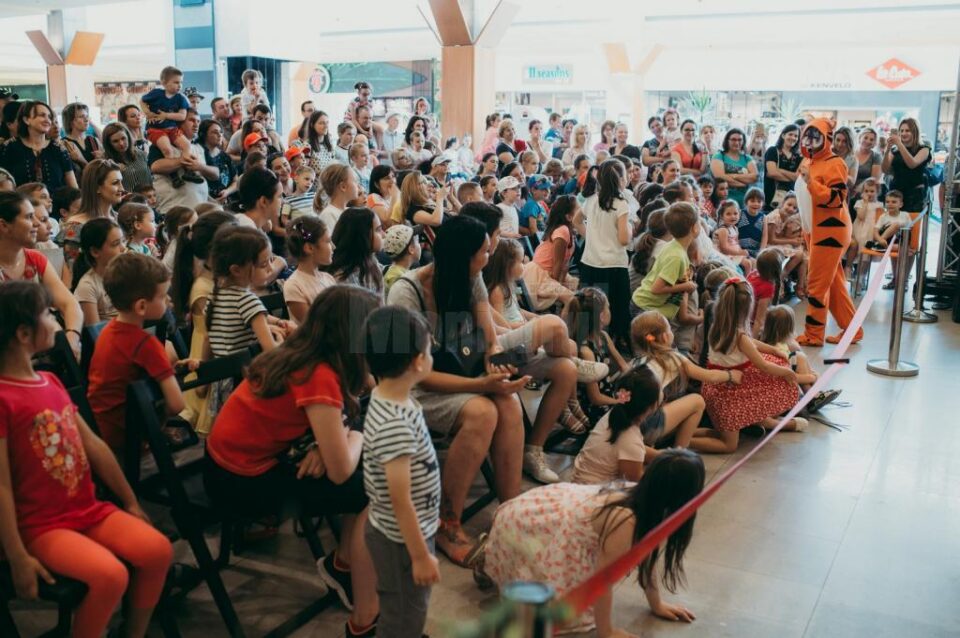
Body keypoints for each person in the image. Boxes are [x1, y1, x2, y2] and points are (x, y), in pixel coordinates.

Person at [203, 286, 381, 638]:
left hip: (235, 461)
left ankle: (344, 565)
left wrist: (328, 439)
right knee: (375, 491)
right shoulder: (319, 373)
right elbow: (342, 468)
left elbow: (368, 387)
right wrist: (351, 435)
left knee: (373, 468)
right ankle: (366, 621)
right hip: (239, 482)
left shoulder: (305, 349)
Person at [0, 281, 173, 638]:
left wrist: (129, 500)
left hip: (86, 509)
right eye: (48, 315)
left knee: (157, 550)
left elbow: (93, 445)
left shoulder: (50, 381)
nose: (55, 321)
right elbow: (0, 484)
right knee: (110, 576)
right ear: (22, 333)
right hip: (41, 526)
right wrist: (17, 556)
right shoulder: (3, 398)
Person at [386, 216, 529, 564]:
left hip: (459, 373)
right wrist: (482, 384)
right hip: (409, 389)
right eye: (483, 251)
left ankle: (510, 512)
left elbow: (490, 341)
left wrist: (497, 368)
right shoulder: (408, 291)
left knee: (507, 402)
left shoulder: (472, 277)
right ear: (462, 256)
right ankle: (446, 522)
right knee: (483, 412)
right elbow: (414, 377)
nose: (489, 256)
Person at [480, 449, 703, 635]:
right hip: (524, 523)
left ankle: (490, 550)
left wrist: (657, 604)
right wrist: (607, 631)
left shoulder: (648, 502)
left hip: (554, 514)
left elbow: (647, 552)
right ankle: (488, 552)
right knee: (560, 614)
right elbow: (602, 580)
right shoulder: (626, 521)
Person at [360, 306, 441, 638]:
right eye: (429, 347)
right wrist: (420, 555)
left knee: (407, 605)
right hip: (400, 541)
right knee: (404, 613)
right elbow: (400, 499)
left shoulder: (388, 396)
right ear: (417, 362)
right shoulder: (395, 424)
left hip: (403, 530)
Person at [86, 253, 187, 458]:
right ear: (141, 306)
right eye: (162, 296)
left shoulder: (107, 331)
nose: (168, 300)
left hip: (100, 427)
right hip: (127, 435)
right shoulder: (145, 344)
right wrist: (161, 422)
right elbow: (177, 404)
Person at [694, 278, 804, 454]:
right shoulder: (739, 336)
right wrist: (786, 372)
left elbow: (750, 343)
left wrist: (772, 350)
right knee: (728, 445)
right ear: (746, 309)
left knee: (773, 362)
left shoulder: (717, 326)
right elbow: (764, 366)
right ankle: (684, 441)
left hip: (715, 388)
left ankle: (685, 434)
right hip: (727, 395)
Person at [797, 118, 859, 346]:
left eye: (816, 136)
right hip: (814, 231)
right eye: (808, 135)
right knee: (832, 285)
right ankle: (853, 330)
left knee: (816, 285)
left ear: (826, 138)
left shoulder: (836, 163)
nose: (810, 141)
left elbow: (836, 199)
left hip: (830, 231)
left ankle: (814, 335)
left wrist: (812, 183)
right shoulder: (807, 161)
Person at [0, 191, 83, 356]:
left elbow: (69, 304)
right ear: (3, 226)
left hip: (44, 345)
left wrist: (72, 338)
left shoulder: (35, 258)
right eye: (29, 217)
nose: (36, 224)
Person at [205, 226, 289, 359]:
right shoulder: (248, 301)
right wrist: (281, 340)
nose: (271, 268)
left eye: (271, 261)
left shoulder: (215, 296)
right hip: (247, 375)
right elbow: (271, 353)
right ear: (236, 270)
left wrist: (278, 322)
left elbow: (207, 340)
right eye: (263, 264)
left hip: (222, 377)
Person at [574, 160, 632, 346]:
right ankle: (616, 343)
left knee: (589, 309)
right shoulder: (621, 204)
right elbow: (624, 239)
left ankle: (585, 342)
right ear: (620, 179)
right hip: (614, 264)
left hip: (590, 262)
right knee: (617, 308)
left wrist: (590, 236)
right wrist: (631, 228)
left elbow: (576, 221)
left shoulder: (591, 200)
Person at [571, 365, 660, 484]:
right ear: (653, 406)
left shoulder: (616, 414)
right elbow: (634, 483)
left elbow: (626, 449)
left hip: (580, 483)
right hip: (593, 494)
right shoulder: (631, 440)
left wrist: (662, 457)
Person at [632, 202, 700, 326]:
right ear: (694, 228)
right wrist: (686, 286)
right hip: (646, 309)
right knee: (653, 345)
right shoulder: (676, 256)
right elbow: (656, 288)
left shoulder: (674, 247)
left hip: (649, 308)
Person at [139, 67, 204, 188]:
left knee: (186, 145)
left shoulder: (181, 98)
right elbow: (142, 101)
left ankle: (188, 171)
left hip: (172, 128)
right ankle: (174, 176)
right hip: (156, 129)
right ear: (164, 82)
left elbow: (182, 115)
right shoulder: (156, 93)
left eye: (181, 82)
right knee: (167, 149)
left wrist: (166, 115)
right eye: (176, 82)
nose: (179, 85)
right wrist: (147, 112)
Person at [0, 101, 77, 192]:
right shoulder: (9, 147)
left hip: (56, 204)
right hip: (21, 204)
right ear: (26, 119)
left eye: (49, 117)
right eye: (42, 115)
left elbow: (73, 188)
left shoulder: (59, 149)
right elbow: (3, 186)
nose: (47, 120)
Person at [522, 194, 579, 312]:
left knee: (577, 289)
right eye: (578, 210)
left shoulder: (569, 231)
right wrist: (557, 286)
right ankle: (565, 328)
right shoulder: (562, 231)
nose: (582, 212)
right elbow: (558, 263)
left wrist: (563, 283)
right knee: (572, 300)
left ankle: (569, 323)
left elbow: (564, 264)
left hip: (552, 273)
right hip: (540, 276)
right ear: (568, 217)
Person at [149, 110, 213, 214]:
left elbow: (216, 173)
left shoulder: (199, 147)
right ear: (179, 122)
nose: (196, 124)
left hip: (200, 210)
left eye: (198, 121)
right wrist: (183, 161)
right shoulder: (163, 144)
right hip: (174, 211)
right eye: (191, 120)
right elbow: (156, 167)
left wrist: (201, 167)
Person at [71, 217, 124, 325]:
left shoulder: (126, 275)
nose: (123, 248)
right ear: (95, 252)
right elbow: (95, 334)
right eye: (115, 244)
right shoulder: (88, 286)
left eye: (122, 241)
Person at [284, 216, 335, 324]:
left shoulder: (329, 278)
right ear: (309, 248)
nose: (333, 247)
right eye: (328, 241)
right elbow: (313, 327)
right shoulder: (294, 285)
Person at [328, 207, 385, 297]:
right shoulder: (344, 282)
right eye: (378, 230)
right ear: (363, 236)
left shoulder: (371, 262)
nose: (383, 234)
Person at [762, 192, 806, 295]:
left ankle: (783, 278)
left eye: (795, 208)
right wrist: (791, 241)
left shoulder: (786, 217)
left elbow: (781, 236)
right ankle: (780, 278)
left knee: (801, 253)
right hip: (768, 245)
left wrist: (795, 239)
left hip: (777, 243)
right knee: (799, 254)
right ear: (783, 203)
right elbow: (771, 239)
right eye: (789, 205)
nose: (791, 209)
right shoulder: (775, 217)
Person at [710, 128, 757, 208]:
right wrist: (743, 183)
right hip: (724, 200)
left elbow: (754, 177)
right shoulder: (719, 156)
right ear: (727, 141)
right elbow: (719, 177)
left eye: (740, 140)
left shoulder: (747, 158)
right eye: (733, 140)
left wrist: (733, 176)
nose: (737, 142)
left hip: (744, 200)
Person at [101, 122, 152, 193]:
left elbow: (150, 179)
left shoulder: (141, 154)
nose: (121, 143)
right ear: (109, 144)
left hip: (148, 200)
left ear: (128, 137)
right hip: (125, 202)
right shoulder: (106, 162)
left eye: (123, 138)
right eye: (115, 141)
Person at [762, 124, 801, 211]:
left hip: (791, 201)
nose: (793, 138)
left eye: (796, 136)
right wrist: (792, 177)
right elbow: (772, 173)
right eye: (790, 134)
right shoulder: (772, 151)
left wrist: (779, 170)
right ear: (783, 135)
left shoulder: (798, 156)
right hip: (771, 198)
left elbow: (798, 177)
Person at [848, 178, 883, 273]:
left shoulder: (880, 205)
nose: (869, 193)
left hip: (871, 233)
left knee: (866, 257)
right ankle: (848, 268)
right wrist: (866, 203)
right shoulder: (860, 203)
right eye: (866, 191)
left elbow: (881, 221)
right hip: (859, 231)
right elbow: (861, 216)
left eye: (872, 191)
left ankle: (861, 276)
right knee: (855, 250)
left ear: (877, 192)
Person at [198, 119, 236, 202]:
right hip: (205, 202)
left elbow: (235, 181)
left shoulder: (224, 156)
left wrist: (227, 192)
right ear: (204, 135)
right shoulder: (199, 154)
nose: (220, 135)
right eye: (215, 132)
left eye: (221, 132)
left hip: (226, 200)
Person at [746, 248, 782, 336]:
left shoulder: (752, 274)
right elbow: (759, 320)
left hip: (745, 319)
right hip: (750, 325)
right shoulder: (767, 287)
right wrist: (752, 342)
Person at [60, 102, 103, 174]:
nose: (86, 120)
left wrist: (102, 159)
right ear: (71, 121)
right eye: (81, 117)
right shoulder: (64, 143)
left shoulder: (94, 140)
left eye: (87, 116)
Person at [713, 200, 752, 273]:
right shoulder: (723, 230)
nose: (733, 216)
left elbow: (736, 244)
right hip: (723, 255)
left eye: (735, 213)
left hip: (733, 253)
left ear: (739, 214)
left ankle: (747, 280)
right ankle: (742, 280)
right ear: (722, 216)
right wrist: (739, 253)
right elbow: (724, 249)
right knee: (745, 265)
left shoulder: (735, 228)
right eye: (728, 214)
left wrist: (742, 252)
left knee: (749, 263)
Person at [318, 163, 359, 233]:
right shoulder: (328, 215)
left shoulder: (350, 211)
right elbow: (333, 243)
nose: (358, 185)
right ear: (343, 187)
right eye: (355, 181)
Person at [382, 224, 421, 294]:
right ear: (411, 249)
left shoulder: (395, 271)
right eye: (418, 242)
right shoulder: (399, 279)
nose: (420, 245)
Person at [853, 127, 883, 198]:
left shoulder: (876, 156)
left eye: (871, 140)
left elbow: (874, 179)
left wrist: (857, 190)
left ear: (874, 143)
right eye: (865, 138)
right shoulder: (851, 154)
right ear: (860, 138)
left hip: (867, 194)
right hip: (848, 191)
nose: (868, 141)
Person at [737, 187, 767, 258]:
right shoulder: (739, 213)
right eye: (752, 201)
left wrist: (761, 251)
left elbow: (765, 236)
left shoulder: (764, 217)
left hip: (756, 251)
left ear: (763, 203)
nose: (756, 204)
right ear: (746, 201)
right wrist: (738, 249)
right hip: (740, 249)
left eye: (759, 201)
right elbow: (734, 231)